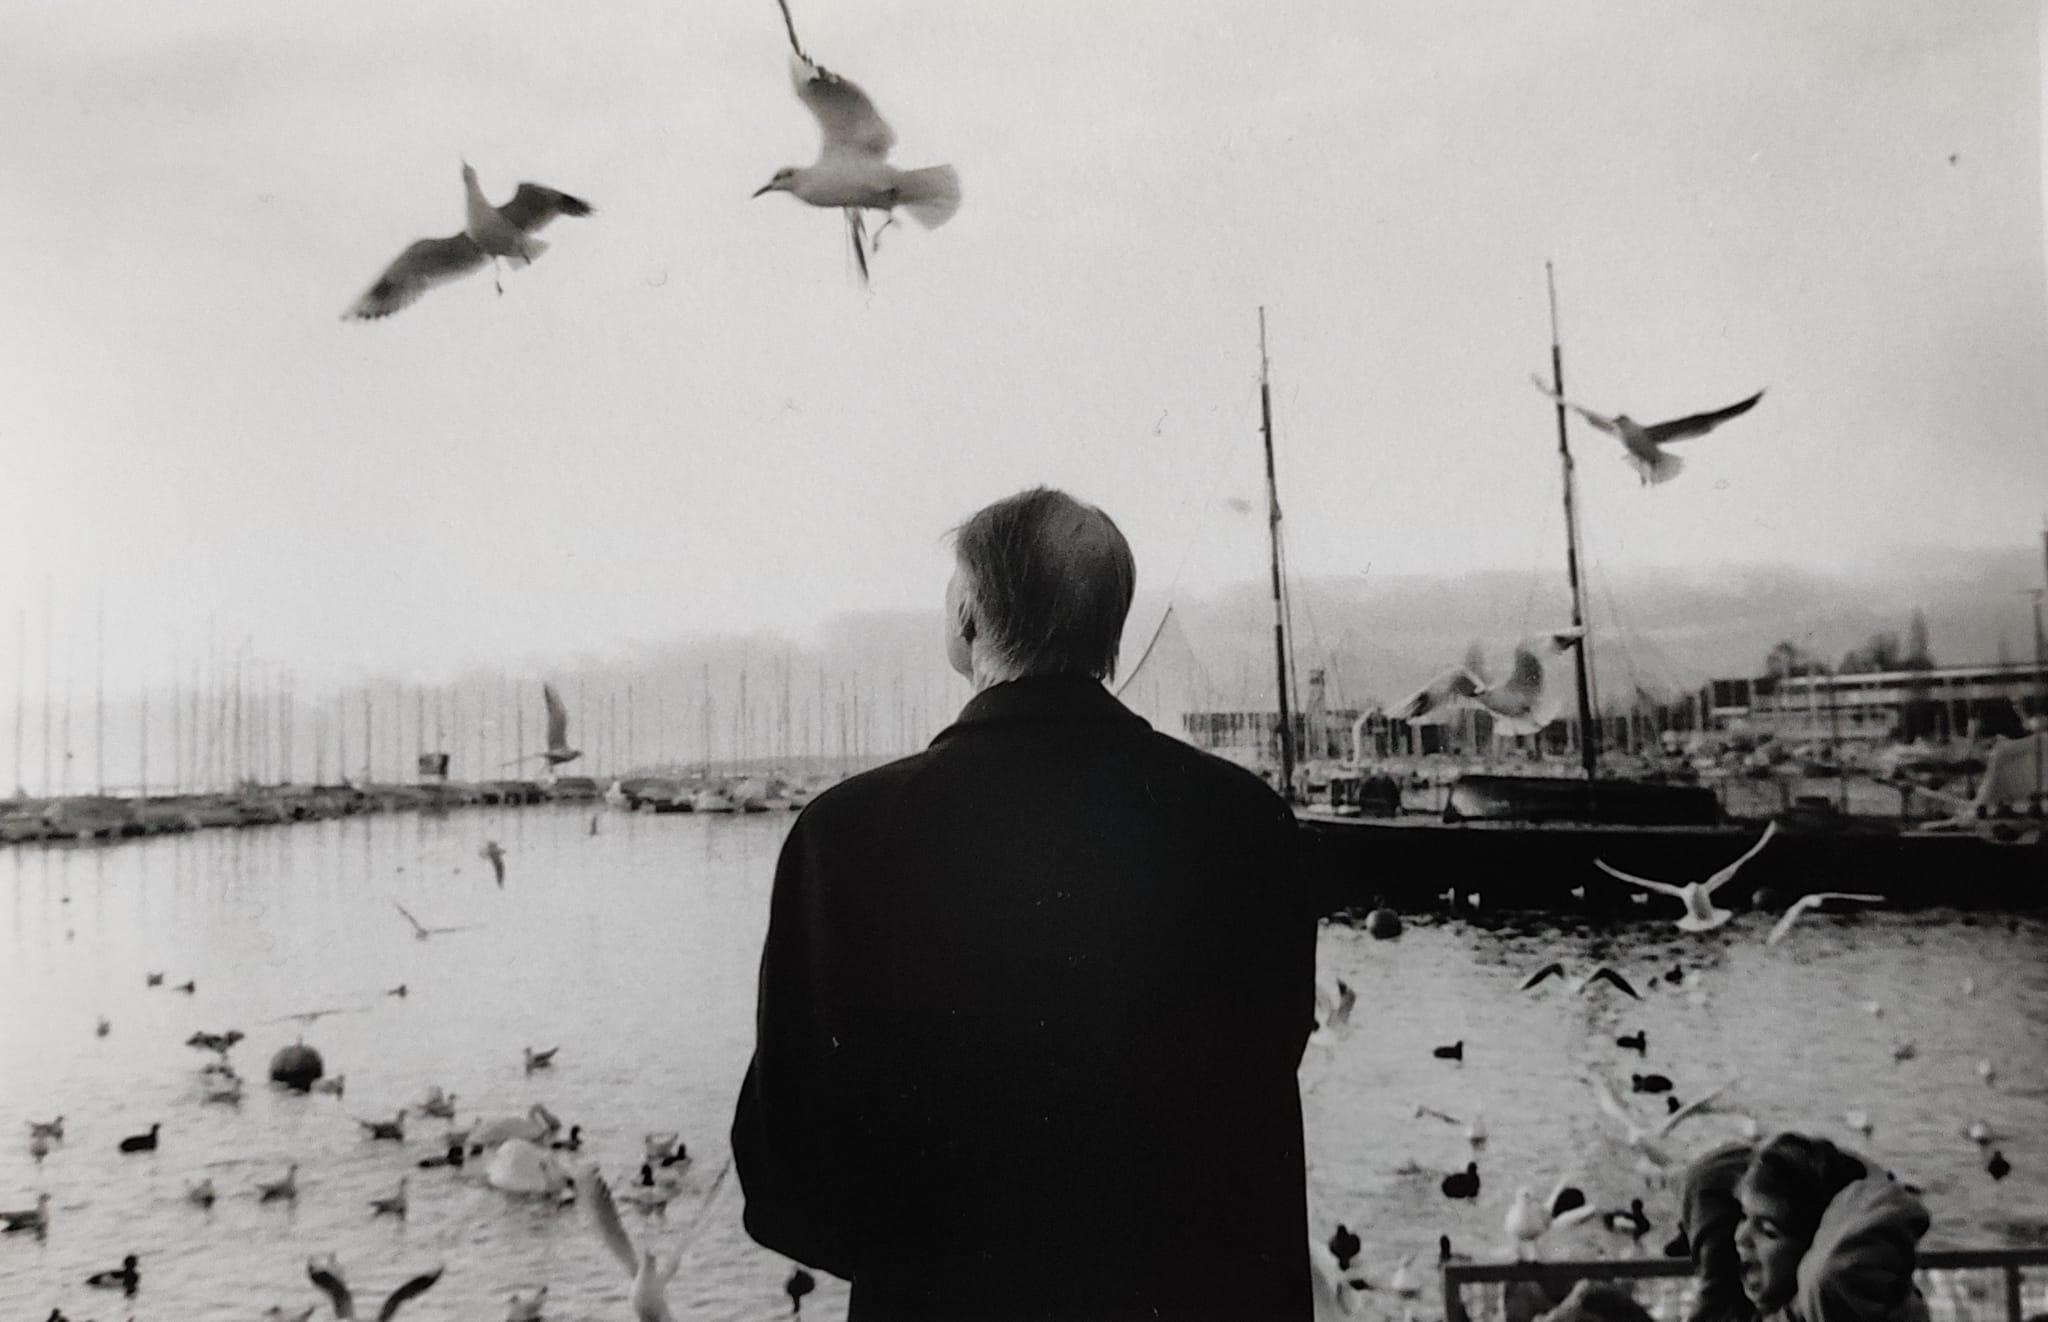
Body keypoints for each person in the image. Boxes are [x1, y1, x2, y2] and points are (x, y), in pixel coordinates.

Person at [732, 486, 1318, 1320]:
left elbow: (790, 1166)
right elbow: (1261, 1076)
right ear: (1112, 634)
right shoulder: (1249, 823)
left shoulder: (851, 834)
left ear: (967, 617)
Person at [1678, 1133, 1930, 1322]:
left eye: (1768, 1231)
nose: (1741, 1236)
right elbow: (1710, 1177)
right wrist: (1715, 1290)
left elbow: (1838, 1266)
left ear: (1817, 1245)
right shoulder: (1755, 1306)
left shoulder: (1840, 1307)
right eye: (1743, 1216)